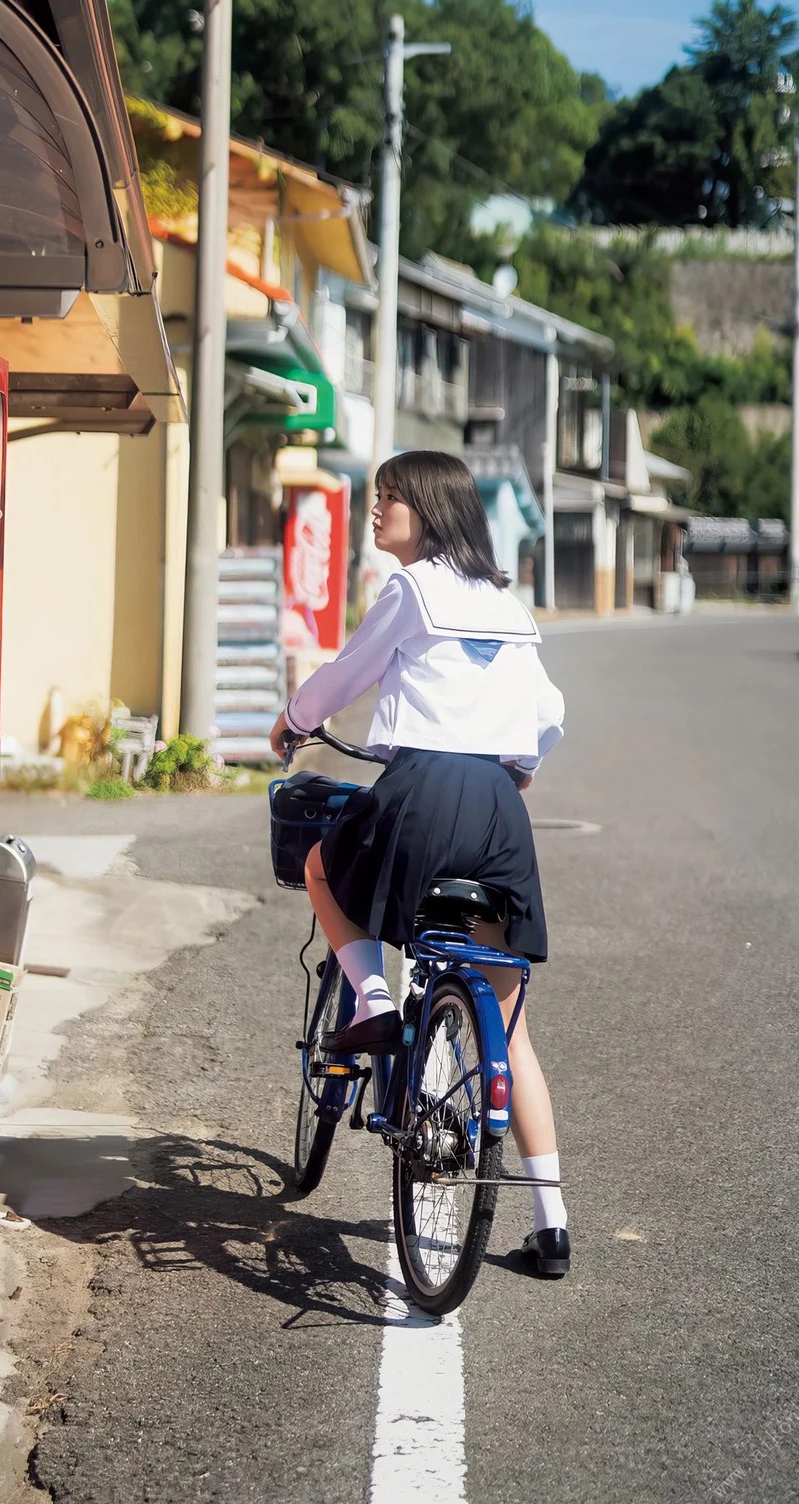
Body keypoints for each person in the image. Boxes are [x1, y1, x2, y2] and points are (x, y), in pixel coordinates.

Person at [269, 450, 571, 1278]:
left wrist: (293, 720)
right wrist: (518, 769)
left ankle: (371, 996)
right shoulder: (507, 604)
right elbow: (549, 715)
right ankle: (552, 1228)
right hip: (498, 809)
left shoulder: (410, 590)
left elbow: (346, 676)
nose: (377, 513)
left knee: (327, 867)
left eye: (389, 499)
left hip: (425, 790)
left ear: (428, 510)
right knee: (507, 1021)